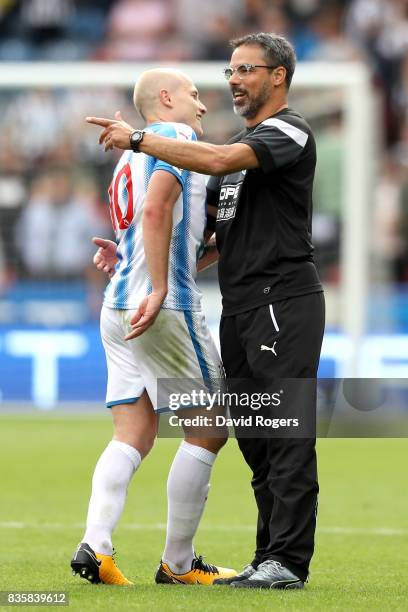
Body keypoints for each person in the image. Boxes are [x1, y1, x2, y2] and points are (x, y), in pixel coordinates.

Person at [87, 32, 325, 590]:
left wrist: (141, 138)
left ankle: (287, 561)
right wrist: (134, 260)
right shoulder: (242, 152)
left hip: (281, 301)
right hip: (241, 307)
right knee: (256, 436)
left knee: (284, 430)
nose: (235, 81)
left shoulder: (286, 131)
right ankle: (268, 556)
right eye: (231, 71)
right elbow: (210, 241)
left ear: (278, 77)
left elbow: (216, 156)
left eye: (247, 70)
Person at [71, 67, 236, 587]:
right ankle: (179, 564)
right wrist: (162, 287)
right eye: (193, 94)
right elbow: (159, 207)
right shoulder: (177, 136)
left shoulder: (128, 155)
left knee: (134, 433)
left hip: (117, 306)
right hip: (161, 307)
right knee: (209, 426)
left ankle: (95, 547)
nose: (202, 106)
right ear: (165, 99)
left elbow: (147, 223)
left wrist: (128, 260)